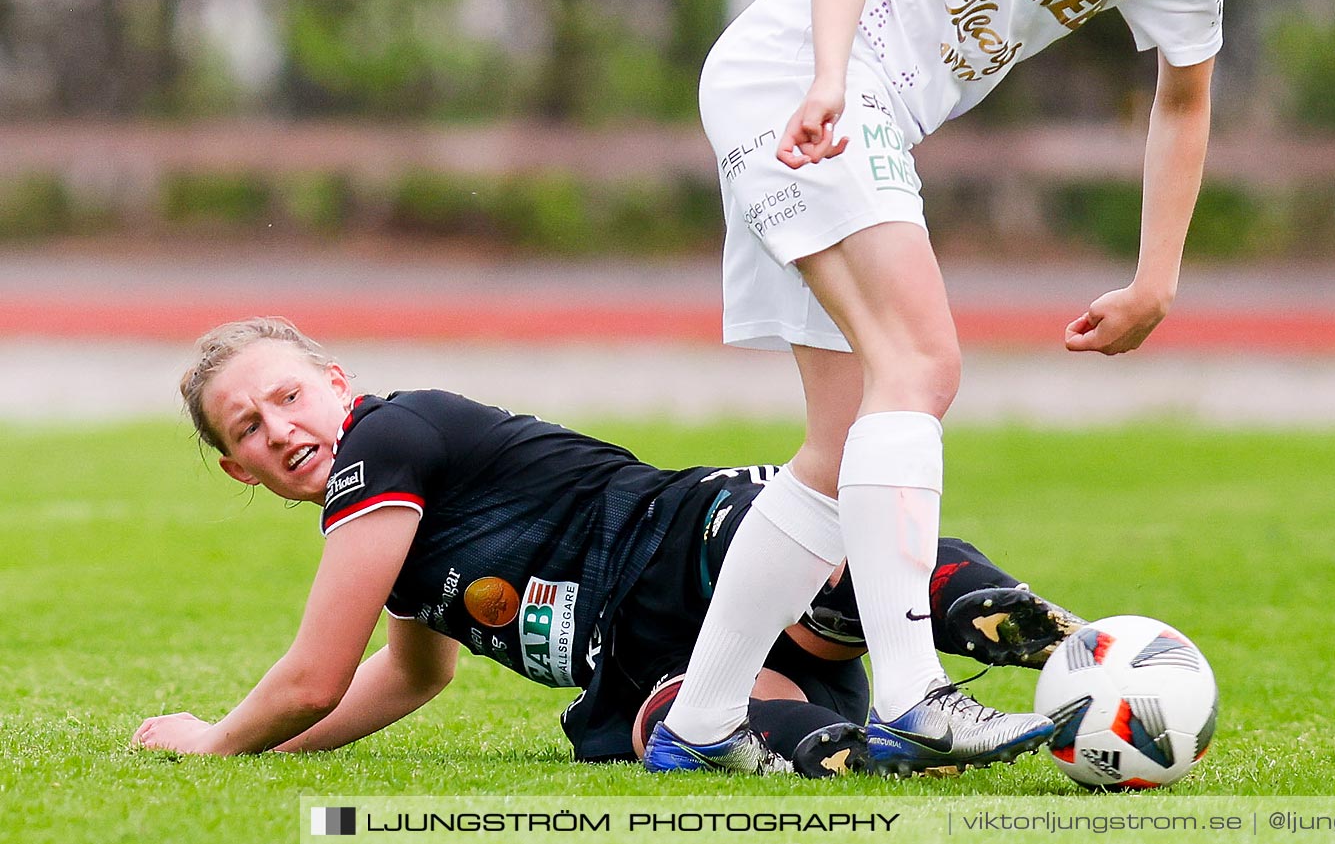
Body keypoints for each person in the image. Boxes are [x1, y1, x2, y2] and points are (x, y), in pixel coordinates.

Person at [656, 0, 1335, 776]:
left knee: (838, 438)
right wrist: (826, 80)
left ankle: (700, 726)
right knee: (922, 367)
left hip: (857, 109)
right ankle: (915, 694)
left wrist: (1155, 280)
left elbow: (1185, 99)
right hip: (799, 74)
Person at [129, 317, 1083, 774]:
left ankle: (1032, 637)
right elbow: (414, 676)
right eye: (247, 428)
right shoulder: (394, 548)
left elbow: (313, 676)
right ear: (238, 472)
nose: (280, 428)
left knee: (813, 566)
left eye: (288, 396)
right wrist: (270, 751)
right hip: (641, 651)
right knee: (666, 722)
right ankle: (842, 741)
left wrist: (214, 743)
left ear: (339, 384)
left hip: (680, 540)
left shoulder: (387, 439)